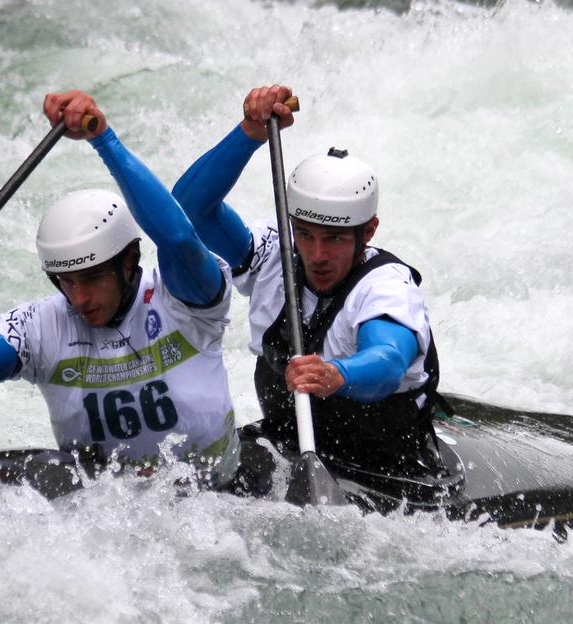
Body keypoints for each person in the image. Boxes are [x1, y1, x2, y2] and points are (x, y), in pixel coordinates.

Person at [0, 90, 242, 488]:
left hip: (213, 499)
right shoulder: (43, 325)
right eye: (66, 282)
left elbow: (179, 240)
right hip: (107, 513)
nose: (79, 298)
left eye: (92, 279)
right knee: (45, 468)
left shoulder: (184, 301)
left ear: (128, 262)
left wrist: (104, 139)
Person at [172, 85, 445, 476]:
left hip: (386, 471)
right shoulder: (274, 253)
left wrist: (337, 374)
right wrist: (248, 132)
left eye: (333, 239)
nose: (316, 255)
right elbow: (190, 210)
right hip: (289, 449)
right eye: (305, 234)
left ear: (367, 232)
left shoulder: (385, 287)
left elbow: (387, 361)